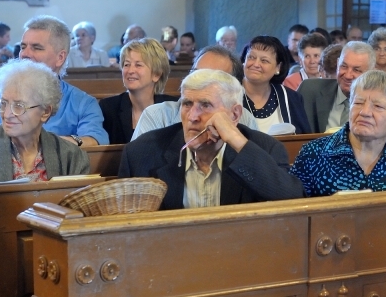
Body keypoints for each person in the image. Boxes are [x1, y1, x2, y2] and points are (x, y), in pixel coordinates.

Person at [119, 69, 303, 210]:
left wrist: (234, 138)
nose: (192, 116)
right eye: (187, 104)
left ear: (234, 114)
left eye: (205, 105)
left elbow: (291, 201)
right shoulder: (141, 153)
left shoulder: (266, 149)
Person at [0, 16, 109, 146]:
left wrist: (39, 144)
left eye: (36, 48)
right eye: (23, 47)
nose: (25, 54)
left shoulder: (83, 103)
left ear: (60, 57)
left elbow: (94, 141)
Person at [290, 70, 386, 196]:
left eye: (378, 106)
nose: (364, 112)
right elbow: (292, 212)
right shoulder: (312, 154)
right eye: (358, 103)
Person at [0, 60, 89, 182]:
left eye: (19, 106)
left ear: (45, 112)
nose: (7, 114)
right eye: (3, 103)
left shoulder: (72, 157)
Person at [132, 45, 257, 140]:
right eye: (196, 74)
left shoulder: (245, 119)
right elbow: (139, 164)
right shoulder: (156, 116)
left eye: (211, 78)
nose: (198, 83)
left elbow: (258, 168)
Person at [299, 42, 386, 136]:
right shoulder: (309, 90)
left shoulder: (381, 100)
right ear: (338, 64)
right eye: (344, 66)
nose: (348, 75)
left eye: (357, 70)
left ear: (371, 72)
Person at [98, 38, 176, 144]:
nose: (130, 71)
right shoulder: (108, 108)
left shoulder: (172, 108)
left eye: (138, 65)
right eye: (126, 64)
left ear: (156, 74)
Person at [241, 35, 311, 134]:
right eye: (251, 57)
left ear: (278, 67)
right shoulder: (228, 94)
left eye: (264, 60)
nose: (256, 64)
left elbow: (304, 140)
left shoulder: (292, 98)